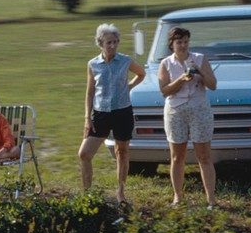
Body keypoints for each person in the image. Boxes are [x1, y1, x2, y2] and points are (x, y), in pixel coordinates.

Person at [78, 23, 146, 206]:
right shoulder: (93, 64)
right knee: (84, 154)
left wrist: (129, 86)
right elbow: (90, 92)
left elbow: (141, 73)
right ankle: (87, 195)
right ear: (100, 43)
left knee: (121, 151)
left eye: (115, 42)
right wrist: (87, 118)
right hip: (100, 113)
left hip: (122, 112)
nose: (113, 46)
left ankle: (121, 192)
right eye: (109, 42)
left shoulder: (125, 60)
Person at [157, 26, 217, 208]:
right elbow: (164, 90)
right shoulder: (166, 63)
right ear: (172, 44)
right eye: (179, 42)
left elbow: (213, 85)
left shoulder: (199, 59)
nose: (183, 46)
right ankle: (178, 197)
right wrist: (181, 79)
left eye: (185, 42)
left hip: (199, 109)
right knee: (177, 157)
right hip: (176, 110)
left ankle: (211, 200)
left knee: (204, 156)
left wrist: (200, 72)